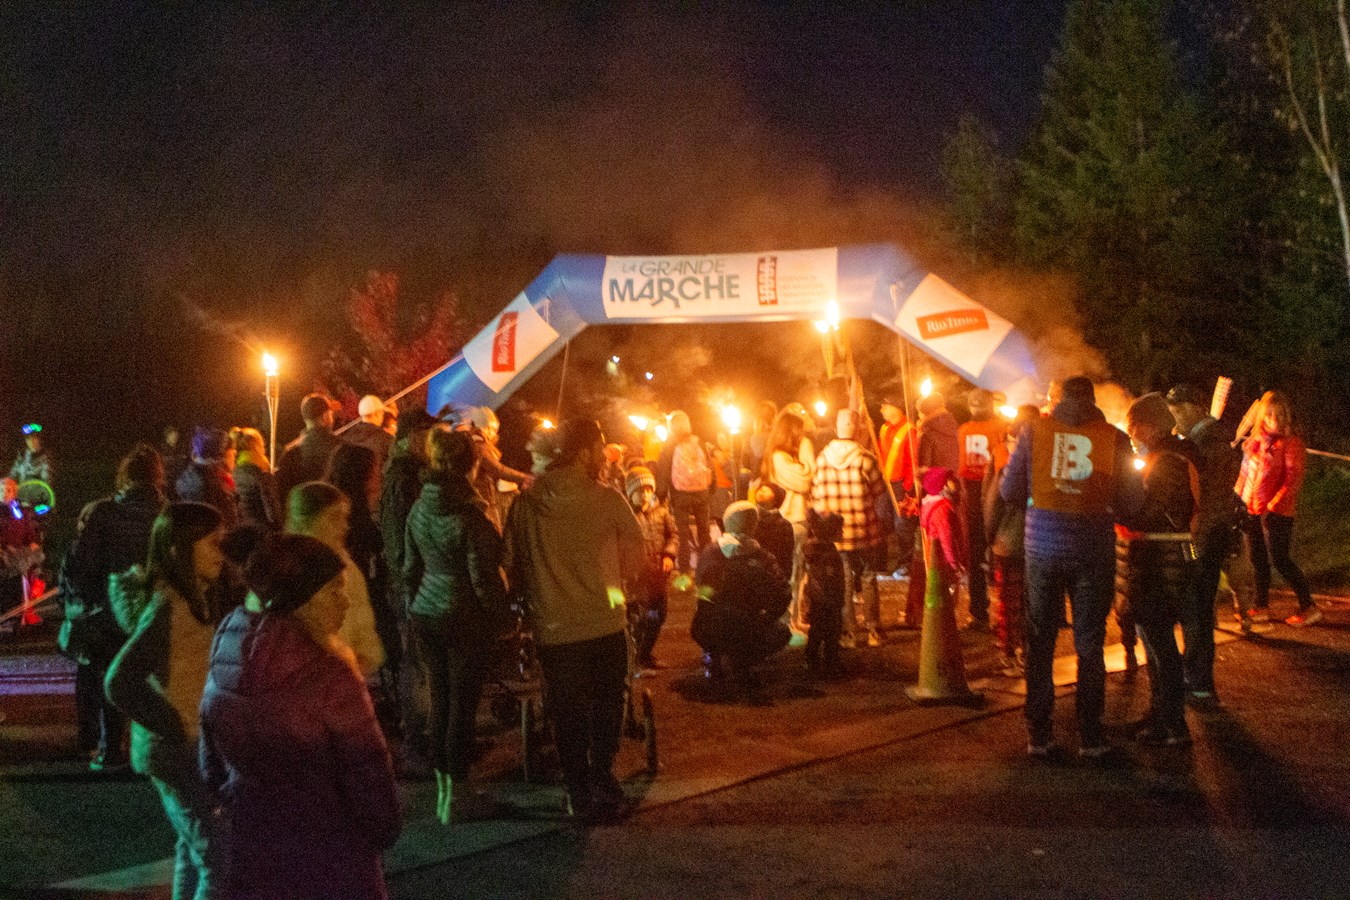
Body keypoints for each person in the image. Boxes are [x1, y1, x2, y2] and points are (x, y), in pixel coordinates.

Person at [201, 533, 401, 899]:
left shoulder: (225, 648)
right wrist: (382, 829)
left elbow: (210, 758)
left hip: (253, 848)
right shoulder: (329, 672)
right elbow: (367, 770)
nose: (344, 601)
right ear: (301, 600)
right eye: (332, 591)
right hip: (331, 853)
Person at [504, 418, 645, 822]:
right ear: (584, 453)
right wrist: (617, 586)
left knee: (566, 710)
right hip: (604, 621)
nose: (604, 455)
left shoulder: (526, 504)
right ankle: (602, 774)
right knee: (607, 703)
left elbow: (510, 563)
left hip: (553, 628)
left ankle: (577, 787)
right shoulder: (607, 499)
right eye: (599, 447)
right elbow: (636, 554)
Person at [1001, 376, 1142, 759]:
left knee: (1041, 641)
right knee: (1090, 644)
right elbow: (1132, 503)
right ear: (1094, 400)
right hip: (1092, 552)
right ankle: (1091, 738)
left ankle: (1040, 736)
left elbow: (1009, 491)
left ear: (1058, 399)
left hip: (1042, 550)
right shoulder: (1113, 438)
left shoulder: (1034, 431)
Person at [104, 503, 227, 900]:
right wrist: (174, 724)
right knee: (218, 858)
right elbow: (119, 681)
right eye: (212, 544)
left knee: (192, 851)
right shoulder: (169, 608)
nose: (220, 553)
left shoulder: (193, 600)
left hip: (185, 744)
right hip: (176, 750)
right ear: (181, 549)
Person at [404, 428, 510, 824]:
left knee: (440, 702)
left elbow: (410, 568)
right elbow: (483, 578)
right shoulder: (470, 515)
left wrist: (417, 602)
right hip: (463, 617)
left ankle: (443, 793)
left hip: (426, 614)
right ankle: (458, 797)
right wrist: (500, 618)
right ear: (470, 465)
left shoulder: (418, 509)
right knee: (462, 710)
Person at [61, 444, 166, 770]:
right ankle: (148, 749)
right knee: (147, 680)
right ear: (157, 478)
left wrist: (83, 601)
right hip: (149, 611)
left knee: (105, 674)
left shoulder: (101, 513)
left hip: (106, 609)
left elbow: (81, 565)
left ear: (124, 477)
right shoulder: (167, 514)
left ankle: (108, 749)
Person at [1117, 393, 1199, 746]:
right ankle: (1160, 716)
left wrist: (1122, 512)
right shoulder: (1168, 458)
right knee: (1155, 643)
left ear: (1149, 428)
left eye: (1134, 427)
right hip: (1159, 558)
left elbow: (1155, 511)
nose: (1132, 434)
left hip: (1161, 561)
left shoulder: (1168, 463)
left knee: (1161, 643)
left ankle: (1173, 723)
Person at [1166, 383, 1243, 704]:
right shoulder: (1208, 438)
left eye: (1180, 410)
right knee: (1198, 606)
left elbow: (1199, 484)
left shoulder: (1206, 441)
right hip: (1211, 529)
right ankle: (1195, 675)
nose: (1176, 417)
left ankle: (1199, 681)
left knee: (1195, 607)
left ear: (1198, 406)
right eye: (1172, 412)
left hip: (1205, 534)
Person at [378, 409, 436, 776]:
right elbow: (401, 538)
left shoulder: (401, 473)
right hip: (410, 585)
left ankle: (423, 742)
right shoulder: (405, 477)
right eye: (427, 435)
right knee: (417, 666)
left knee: (419, 664)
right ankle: (418, 748)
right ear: (413, 435)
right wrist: (411, 580)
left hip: (409, 582)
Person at [691, 501, 792, 700]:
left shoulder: (711, 553)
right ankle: (743, 664)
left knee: (717, 624)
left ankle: (714, 657)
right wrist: (767, 617)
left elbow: (701, 590)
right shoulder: (762, 556)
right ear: (753, 526)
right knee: (780, 632)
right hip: (750, 627)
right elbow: (782, 592)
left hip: (711, 625)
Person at [1236, 391, 1319, 626]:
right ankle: (1260, 606)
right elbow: (1246, 474)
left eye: (1280, 414)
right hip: (1251, 509)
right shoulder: (1256, 443)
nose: (1274, 419)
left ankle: (1309, 606)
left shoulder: (1291, 444)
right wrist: (1238, 499)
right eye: (1270, 414)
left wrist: (1273, 507)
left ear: (1287, 416)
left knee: (1280, 559)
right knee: (1257, 560)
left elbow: (1292, 480)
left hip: (1277, 514)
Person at [287, 481, 386, 677]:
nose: (344, 526)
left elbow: (365, 639)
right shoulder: (281, 576)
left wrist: (350, 674)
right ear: (305, 521)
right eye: (334, 518)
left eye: (345, 518)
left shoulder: (349, 572)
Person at [811, 409, 887, 648]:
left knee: (843, 580)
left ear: (837, 427)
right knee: (867, 576)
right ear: (857, 429)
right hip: (864, 529)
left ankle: (848, 632)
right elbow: (879, 492)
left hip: (836, 533)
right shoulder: (866, 458)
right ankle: (874, 630)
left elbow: (814, 494)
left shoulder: (822, 459)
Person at [984, 406, 1038, 675]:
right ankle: (1027, 652)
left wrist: (988, 538)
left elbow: (991, 507)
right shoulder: (1045, 472)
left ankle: (1007, 649)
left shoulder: (1006, 472)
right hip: (1037, 545)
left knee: (1008, 601)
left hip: (1007, 543)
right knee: (1032, 601)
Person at [759, 406, 815, 631]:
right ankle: (786, 619)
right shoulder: (780, 458)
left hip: (795, 518)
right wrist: (807, 450)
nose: (802, 437)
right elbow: (805, 480)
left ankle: (793, 617)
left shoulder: (783, 457)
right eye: (798, 432)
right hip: (790, 518)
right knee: (791, 571)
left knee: (799, 571)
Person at [957, 389, 1006, 631]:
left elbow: (959, 465)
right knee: (1002, 551)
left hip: (972, 495)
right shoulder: (1000, 428)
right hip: (996, 492)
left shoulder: (963, 430)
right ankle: (1007, 614)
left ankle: (979, 612)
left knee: (975, 554)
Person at [624, 466, 677, 670]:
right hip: (638, 577)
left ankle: (645, 654)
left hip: (658, 575)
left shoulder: (662, 513)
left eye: (648, 489)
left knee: (659, 614)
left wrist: (668, 554)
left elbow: (673, 535)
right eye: (640, 490)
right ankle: (635, 657)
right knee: (640, 617)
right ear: (631, 493)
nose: (645, 494)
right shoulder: (627, 515)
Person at [656, 410, 712, 573]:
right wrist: (710, 488)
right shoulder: (698, 441)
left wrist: (660, 495)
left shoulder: (669, 445)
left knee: (682, 533)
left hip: (680, 494)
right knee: (704, 531)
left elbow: (664, 472)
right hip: (701, 493)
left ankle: (685, 570)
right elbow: (709, 465)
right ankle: (707, 568)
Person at [463, 406, 532, 533]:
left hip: (481, 492)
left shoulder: (475, 441)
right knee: (489, 528)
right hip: (480, 494)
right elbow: (496, 469)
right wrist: (525, 478)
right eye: (493, 429)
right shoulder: (478, 443)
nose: (494, 433)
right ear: (484, 426)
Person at [919, 466, 967, 624]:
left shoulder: (932, 505)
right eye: (950, 481)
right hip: (945, 563)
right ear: (941, 486)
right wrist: (955, 564)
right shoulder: (942, 510)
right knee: (947, 598)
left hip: (938, 562)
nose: (955, 483)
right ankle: (945, 629)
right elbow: (946, 538)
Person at [276, 392, 343, 504]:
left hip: (303, 514)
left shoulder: (290, 452)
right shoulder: (340, 447)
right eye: (331, 414)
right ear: (325, 416)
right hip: (332, 512)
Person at [802, 510, 846, 678]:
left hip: (819, 600)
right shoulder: (827, 555)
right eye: (839, 530)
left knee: (817, 631)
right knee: (830, 632)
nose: (842, 533)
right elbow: (828, 580)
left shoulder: (819, 550)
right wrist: (834, 600)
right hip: (828, 601)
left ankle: (813, 659)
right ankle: (828, 660)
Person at [877, 396, 917, 574]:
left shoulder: (909, 430)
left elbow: (913, 461)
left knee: (903, 526)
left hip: (901, 485)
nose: (881, 410)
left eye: (884, 406)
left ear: (896, 407)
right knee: (880, 521)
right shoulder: (884, 428)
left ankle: (905, 564)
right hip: (885, 484)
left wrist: (908, 488)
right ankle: (880, 563)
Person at [175, 428, 238, 531]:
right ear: (220, 457)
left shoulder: (188, 476)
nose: (233, 459)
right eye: (231, 455)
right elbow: (228, 520)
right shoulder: (212, 483)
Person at [231, 427, 280, 532]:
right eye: (262, 445)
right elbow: (273, 515)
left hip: (242, 531)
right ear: (256, 447)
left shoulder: (233, 472)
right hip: (262, 533)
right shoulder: (262, 475)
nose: (264, 450)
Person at [751, 482, 795, 579]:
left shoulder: (783, 525)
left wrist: (783, 579)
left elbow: (786, 557)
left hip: (773, 577)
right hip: (752, 576)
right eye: (761, 488)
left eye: (767, 490)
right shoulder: (750, 518)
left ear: (775, 500)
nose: (762, 490)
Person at [346, 395, 396, 473]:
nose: (383, 415)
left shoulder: (349, 438)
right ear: (376, 414)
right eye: (382, 412)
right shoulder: (385, 439)